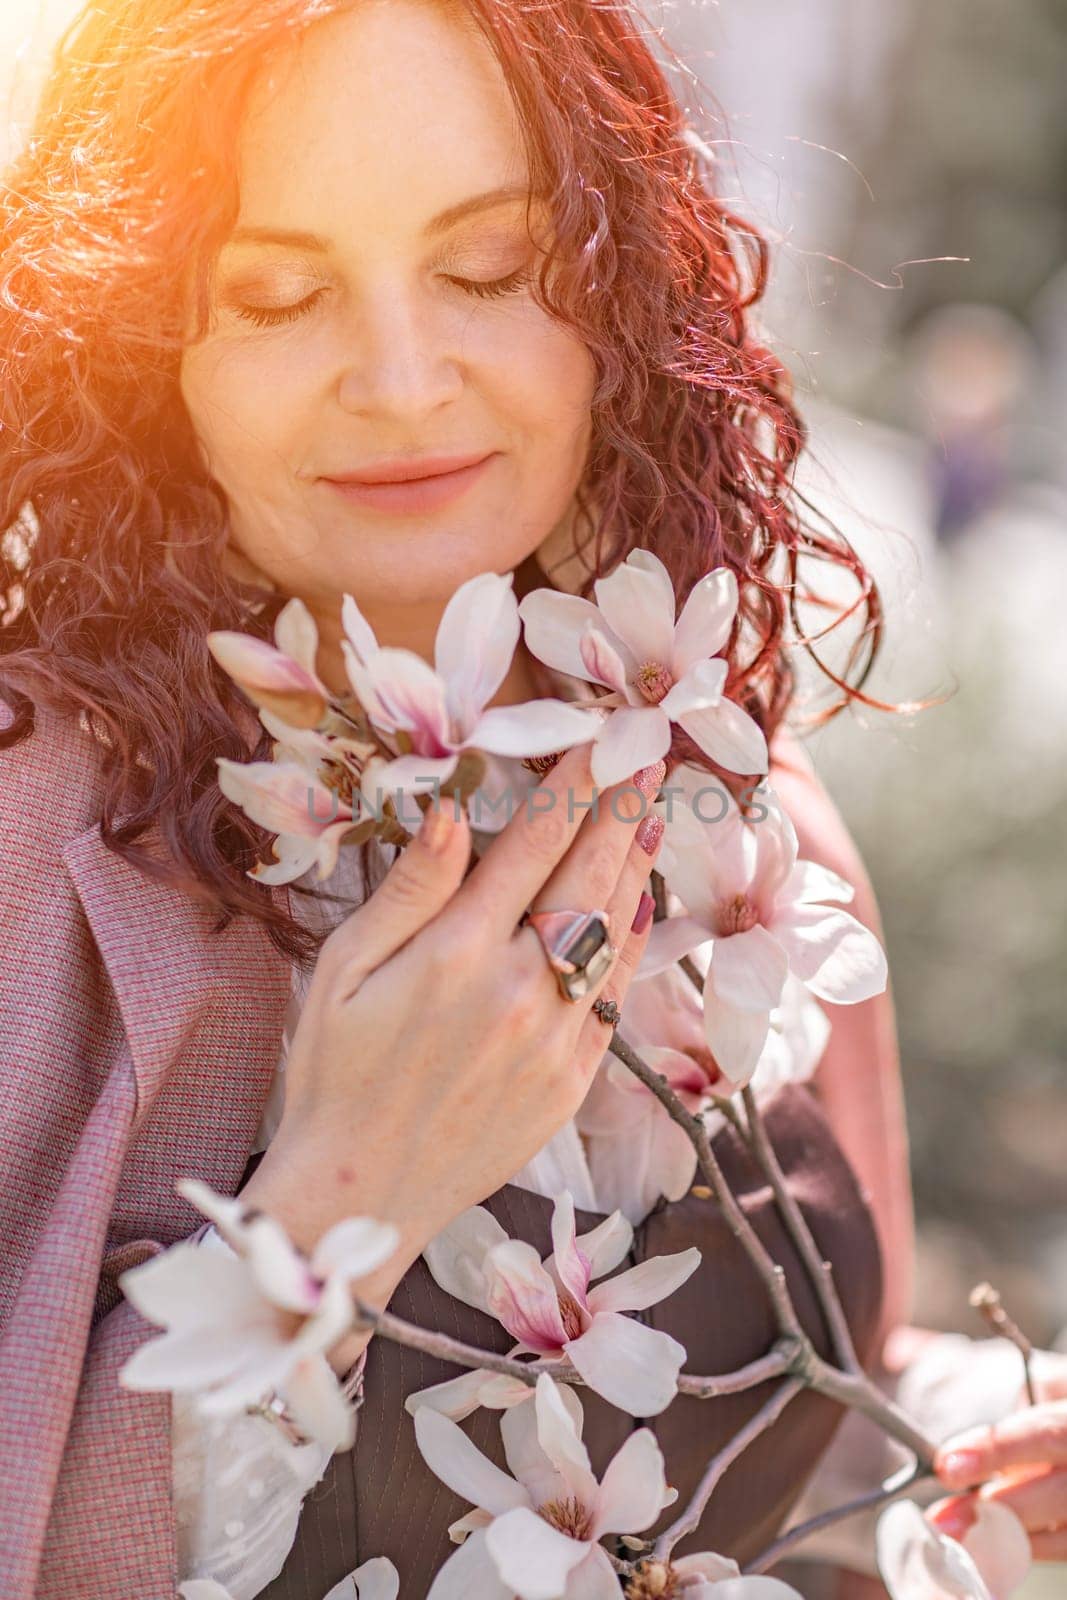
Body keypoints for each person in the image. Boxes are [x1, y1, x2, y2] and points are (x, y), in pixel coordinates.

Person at [1, 2, 1063, 1597]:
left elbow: (759, 1432)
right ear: (147, 345)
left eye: (488, 270)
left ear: (617, 291)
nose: (402, 377)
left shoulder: (728, 786)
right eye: (278, 294)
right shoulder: (35, 854)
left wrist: (979, 1431)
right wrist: (342, 1197)